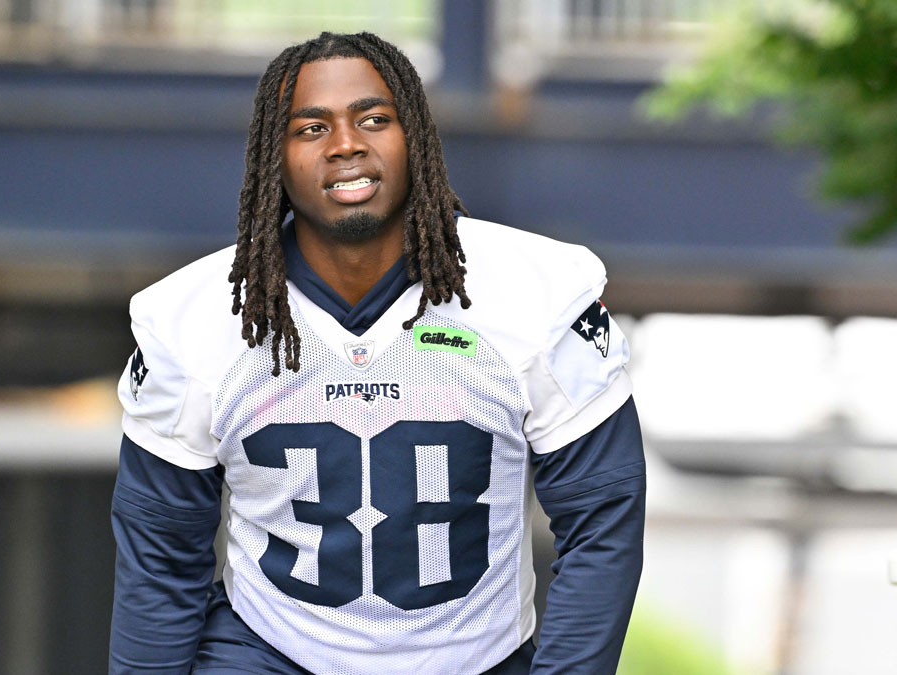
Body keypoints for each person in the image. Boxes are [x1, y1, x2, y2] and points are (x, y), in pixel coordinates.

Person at [109, 31, 645, 675]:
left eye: (373, 119)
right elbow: (160, 555)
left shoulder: (536, 291)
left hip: (476, 654)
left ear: (415, 136)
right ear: (271, 158)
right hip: (272, 649)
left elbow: (602, 519)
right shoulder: (190, 317)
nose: (345, 145)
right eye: (310, 128)